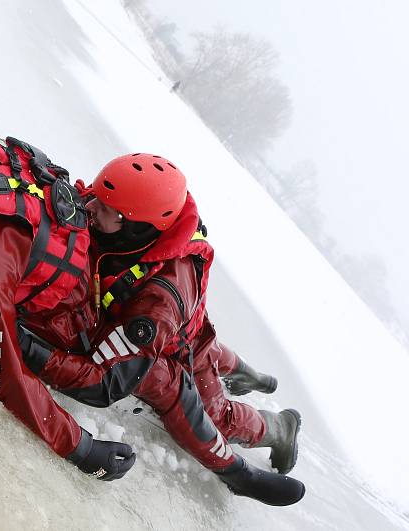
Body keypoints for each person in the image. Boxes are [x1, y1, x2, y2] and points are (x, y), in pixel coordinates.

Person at [0, 105, 304, 505]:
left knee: (194, 360)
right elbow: (4, 367)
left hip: (136, 299)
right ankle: (267, 415)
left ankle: (252, 402)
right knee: (183, 363)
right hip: (99, 303)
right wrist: (78, 447)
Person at [17, 153, 303, 504]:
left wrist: (22, 347)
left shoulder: (159, 302)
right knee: (206, 343)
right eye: (95, 196)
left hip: (179, 344)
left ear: (137, 226)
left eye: (104, 209)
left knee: (216, 415)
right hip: (186, 324)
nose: (89, 206)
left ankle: (279, 427)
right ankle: (249, 374)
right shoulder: (127, 204)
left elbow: (103, 382)